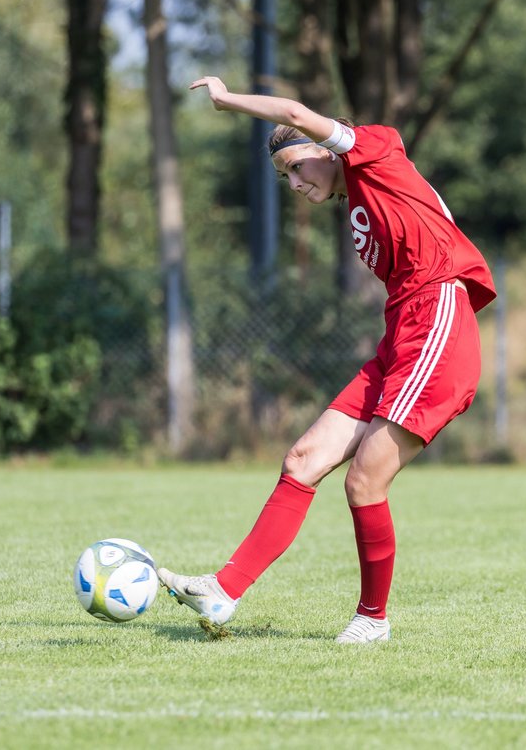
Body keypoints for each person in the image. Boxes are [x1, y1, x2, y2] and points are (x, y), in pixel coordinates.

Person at [157, 76, 496, 644]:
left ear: (324, 148)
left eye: (296, 167)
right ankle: (223, 591)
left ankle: (372, 620)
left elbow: (292, 109)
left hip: (438, 320)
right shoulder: (360, 198)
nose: (293, 183)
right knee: (303, 459)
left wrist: (226, 99)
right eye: (283, 176)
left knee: (365, 478)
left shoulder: (375, 152)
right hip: (403, 332)